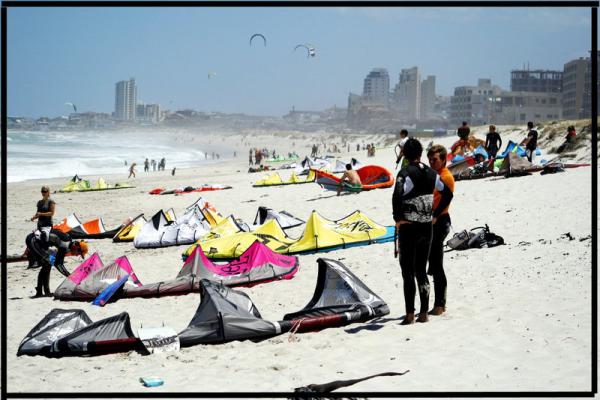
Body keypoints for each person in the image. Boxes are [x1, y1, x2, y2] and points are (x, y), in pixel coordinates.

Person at [392, 138, 453, 325]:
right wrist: (434, 214)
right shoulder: (431, 173)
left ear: (405, 154)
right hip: (427, 228)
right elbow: (447, 193)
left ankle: (410, 314)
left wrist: (398, 218)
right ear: (420, 154)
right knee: (421, 270)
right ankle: (424, 312)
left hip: (409, 228)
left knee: (407, 271)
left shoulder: (404, 173)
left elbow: (397, 195)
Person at [426, 144, 455, 316]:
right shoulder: (433, 175)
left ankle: (440, 305)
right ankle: (437, 304)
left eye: (435, 159)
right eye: (430, 159)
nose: (431, 162)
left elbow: (447, 198)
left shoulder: (446, 177)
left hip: (441, 221)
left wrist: (435, 215)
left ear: (444, 159)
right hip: (431, 222)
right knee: (432, 261)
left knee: (437, 263)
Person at [25, 229, 88, 297]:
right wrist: (71, 277)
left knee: (47, 265)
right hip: (33, 241)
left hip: (37, 241)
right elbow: (58, 264)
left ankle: (44, 292)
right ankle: (41, 292)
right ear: (76, 247)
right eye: (78, 253)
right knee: (47, 264)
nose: (76, 255)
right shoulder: (65, 245)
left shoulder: (68, 241)